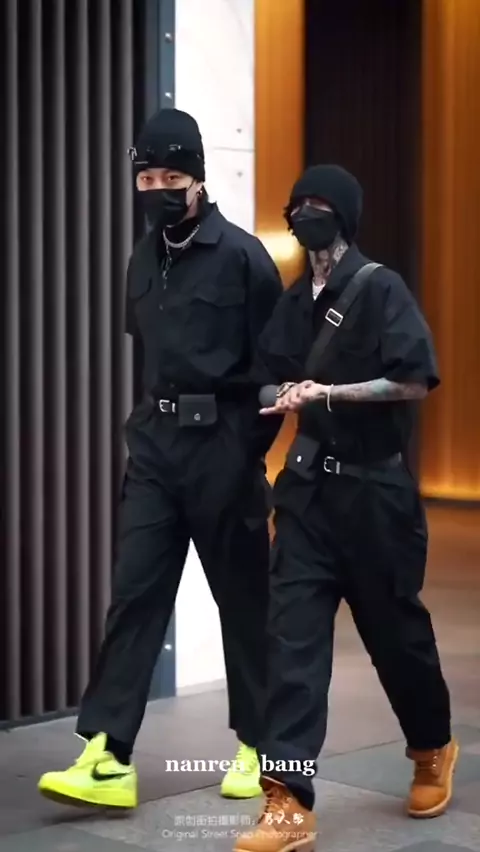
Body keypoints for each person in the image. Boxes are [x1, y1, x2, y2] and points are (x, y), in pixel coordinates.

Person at [38, 109, 284, 810]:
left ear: (198, 179)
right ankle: (108, 756)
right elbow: (149, 354)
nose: (158, 189)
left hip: (224, 449)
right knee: (135, 595)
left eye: (172, 177)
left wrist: (242, 452)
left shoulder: (244, 258)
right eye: (147, 178)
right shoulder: (142, 258)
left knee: (244, 602)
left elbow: (277, 369)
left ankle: (261, 745)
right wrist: (145, 431)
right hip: (155, 450)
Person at [234, 165, 456, 852]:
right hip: (307, 495)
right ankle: (288, 800)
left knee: (396, 637)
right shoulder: (292, 301)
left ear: (346, 218)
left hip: (376, 496)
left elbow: (414, 380)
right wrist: (277, 396)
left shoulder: (381, 288)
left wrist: (328, 393)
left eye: (319, 205)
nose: (305, 215)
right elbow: (263, 377)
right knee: (291, 643)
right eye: (297, 205)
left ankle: (431, 746)